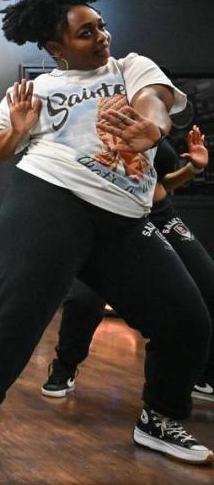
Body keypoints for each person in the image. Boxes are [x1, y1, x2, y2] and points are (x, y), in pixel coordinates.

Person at [0, 0, 212, 468]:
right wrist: (19, 132)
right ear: (57, 48)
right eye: (86, 33)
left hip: (125, 217)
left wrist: (150, 128)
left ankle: (159, 418)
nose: (102, 37)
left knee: (187, 319)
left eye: (101, 26)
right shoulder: (38, 90)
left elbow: (155, 98)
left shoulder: (132, 67)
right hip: (50, 198)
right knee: (21, 311)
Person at [43, 127, 214, 404]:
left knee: (208, 285)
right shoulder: (94, 121)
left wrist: (193, 168)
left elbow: (159, 186)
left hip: (158, 215)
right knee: (84, 301)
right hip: (110, 221)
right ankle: (65, 364)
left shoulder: (156, 119)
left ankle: (203, 375)